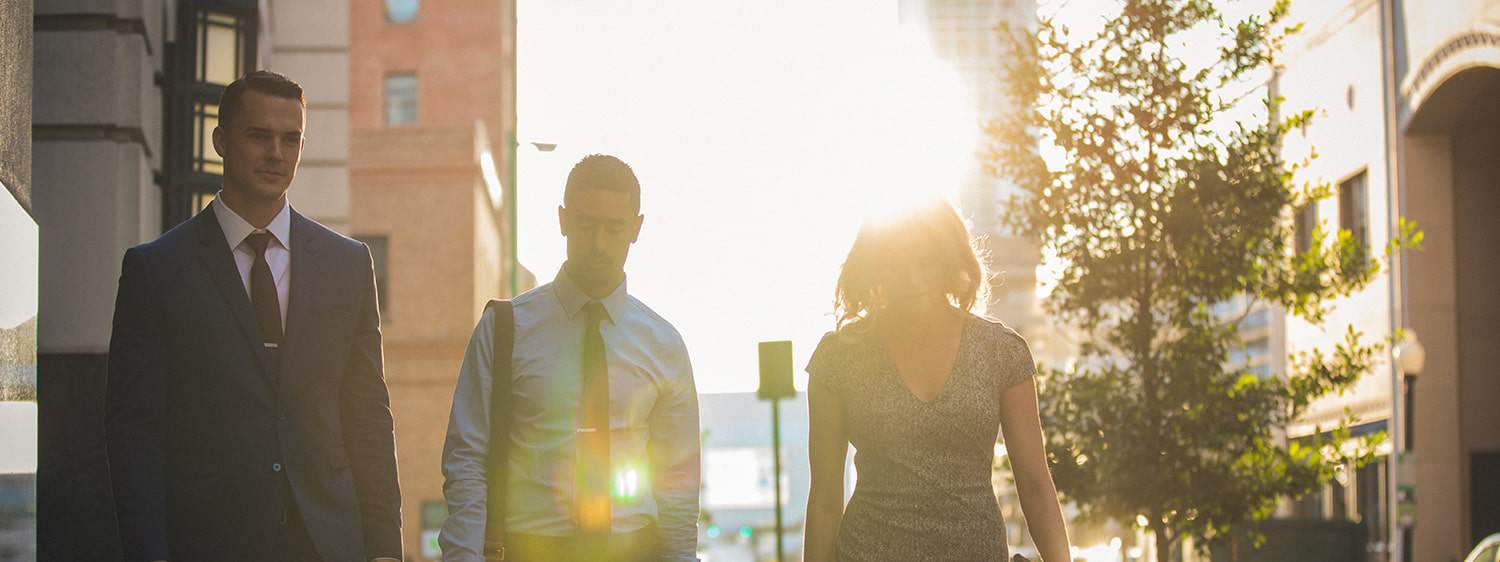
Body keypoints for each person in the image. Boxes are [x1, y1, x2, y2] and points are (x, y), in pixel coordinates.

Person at [105, 70, 403, 562]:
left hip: (329, 541)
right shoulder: (156, 269)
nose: (276, 153)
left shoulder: (348, 265)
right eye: (258, 135)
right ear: (220, 140)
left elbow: (368, 413)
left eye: (291, 139)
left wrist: (385, 547)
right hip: (206, 542)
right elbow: (135, 432)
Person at [439, 155, 701, 562]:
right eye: (585, 225)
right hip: (531, 549)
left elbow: (678, 485)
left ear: (636, 228)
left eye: (613, 228)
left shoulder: (663, 345)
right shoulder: (505, 329)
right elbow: (467, 460)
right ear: (562, 220)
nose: (598, 243)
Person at [802, 199, 1072, 561]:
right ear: (876, 267)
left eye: (925, 262)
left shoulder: (1001, 352)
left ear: (947, 259)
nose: (912, 278)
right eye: (897, 264)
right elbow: (824, 500)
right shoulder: (838, 357)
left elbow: (1036, 485)